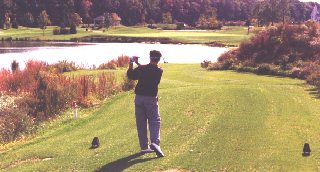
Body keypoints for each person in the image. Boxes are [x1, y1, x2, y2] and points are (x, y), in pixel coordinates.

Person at [127, 50, 165, 157]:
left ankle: (144, 147)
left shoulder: (142, 69)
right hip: (151, 99)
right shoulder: (159, 71)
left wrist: (131, 62)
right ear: (158, 59)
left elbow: (131, 75)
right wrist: (138, 64)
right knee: (154, 120)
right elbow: (149, 69)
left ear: (150, 58)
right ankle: (155, 143)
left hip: (139, 98)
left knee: (141, 122)